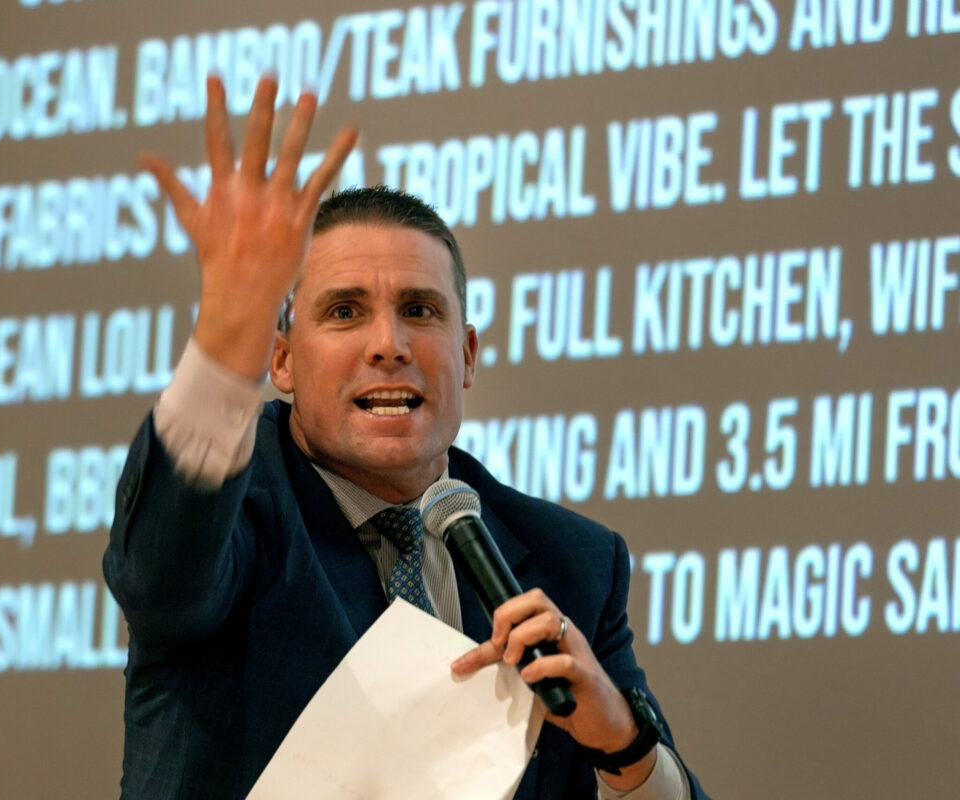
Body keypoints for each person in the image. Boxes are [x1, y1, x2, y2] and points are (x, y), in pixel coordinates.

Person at [103, 74, 709, 799]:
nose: (389, 344)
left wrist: (626, 745)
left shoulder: (572, 563)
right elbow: (163, 575)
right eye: (344, 312)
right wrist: (227, 329)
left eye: (420, 309)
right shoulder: (237, 513)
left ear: (469, 355)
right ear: (282, 358)